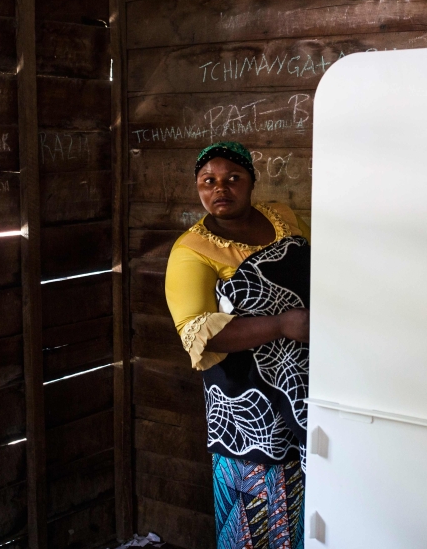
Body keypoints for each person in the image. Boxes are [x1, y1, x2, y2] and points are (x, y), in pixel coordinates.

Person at [164, 141, 311, 549]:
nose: (220, 189)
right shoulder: (191, 251)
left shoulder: (282, 217)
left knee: (308, 506)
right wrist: (283, 324)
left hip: (303, 386)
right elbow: (198, 333)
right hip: (247, 407)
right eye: (207, 182)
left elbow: (320, 267)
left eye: (232, 179)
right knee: (254, 520)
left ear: (251, 182)